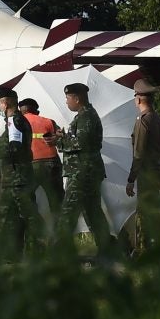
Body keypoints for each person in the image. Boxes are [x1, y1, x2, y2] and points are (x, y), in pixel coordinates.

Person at [49, 83, 115, 260]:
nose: (67, 102)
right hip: (87, 172)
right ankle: (107, 251)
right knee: (92, 213)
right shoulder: (84, 116)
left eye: (68, 98)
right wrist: (64, 136)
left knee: (68, 212)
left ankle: (59, 256)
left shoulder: (86, 117)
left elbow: (83, 143)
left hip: (82, 173)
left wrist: (59, 142)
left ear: (77, 99)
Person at [0, 85, 38, 260]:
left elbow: (13, 147)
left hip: (16, 178)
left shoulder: (15, 120)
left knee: (13, 216)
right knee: (16, 218)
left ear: (5, 104)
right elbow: (5, 142)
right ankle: (15, 253)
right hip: (17, 177)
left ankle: (20, 252)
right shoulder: (16, 121)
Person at [125, 78, 160, 257]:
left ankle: (143, 250)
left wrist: (131, 179)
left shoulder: (143, 121)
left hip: (147, 175)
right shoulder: (158, 119)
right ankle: (158, 248)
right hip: (158, 173)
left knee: (143, 213)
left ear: (139, 99)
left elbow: (139, 153)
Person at [18, 97, 64, 231]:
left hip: (30, 165)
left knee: (26, 200)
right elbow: (62, 136)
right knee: (56, 202)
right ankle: (60, 239)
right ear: (36, 111)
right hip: (52, 163)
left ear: (22, 111)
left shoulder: (18, 123)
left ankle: (39, 231)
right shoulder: (49, 121)